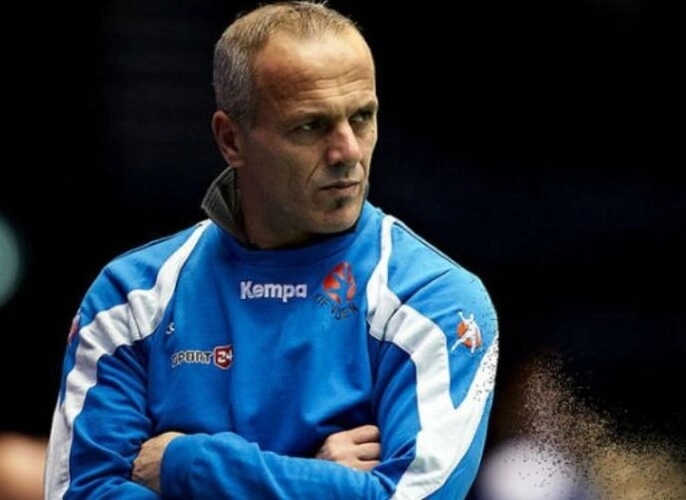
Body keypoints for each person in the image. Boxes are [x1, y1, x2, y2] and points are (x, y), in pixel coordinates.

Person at [43, 1, 499, 499]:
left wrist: (192, 464)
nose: (347, 151)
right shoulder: (130, 297)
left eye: (362, 117)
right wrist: (314, 477)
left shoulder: (434, 300)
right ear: (231, 140)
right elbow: (80, 492)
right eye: (311, 126)